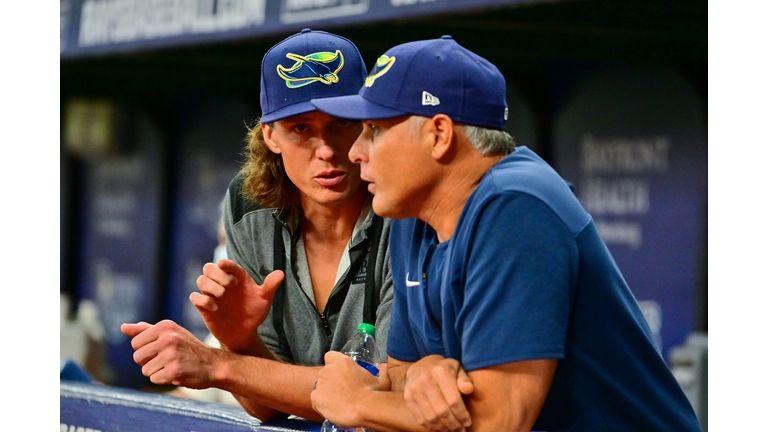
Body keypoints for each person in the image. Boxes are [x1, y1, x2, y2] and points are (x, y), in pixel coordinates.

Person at [307, 36, 702, 432]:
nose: (356, 151)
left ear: (439, 135)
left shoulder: (517, 205)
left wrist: (359, 402)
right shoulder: (411, 214)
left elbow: (498, 422)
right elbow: (401, 371)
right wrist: (423, 372)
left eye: (374, 129)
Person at [121, 29, 394, 423]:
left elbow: (378, 398)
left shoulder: (403, 208)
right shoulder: (250, 206)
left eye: (342, 123)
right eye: (300, 128)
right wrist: (241, 339)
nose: (328, 150)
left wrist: (219, 364)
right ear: (270, 136)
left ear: (369, 124)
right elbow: (268, 405)